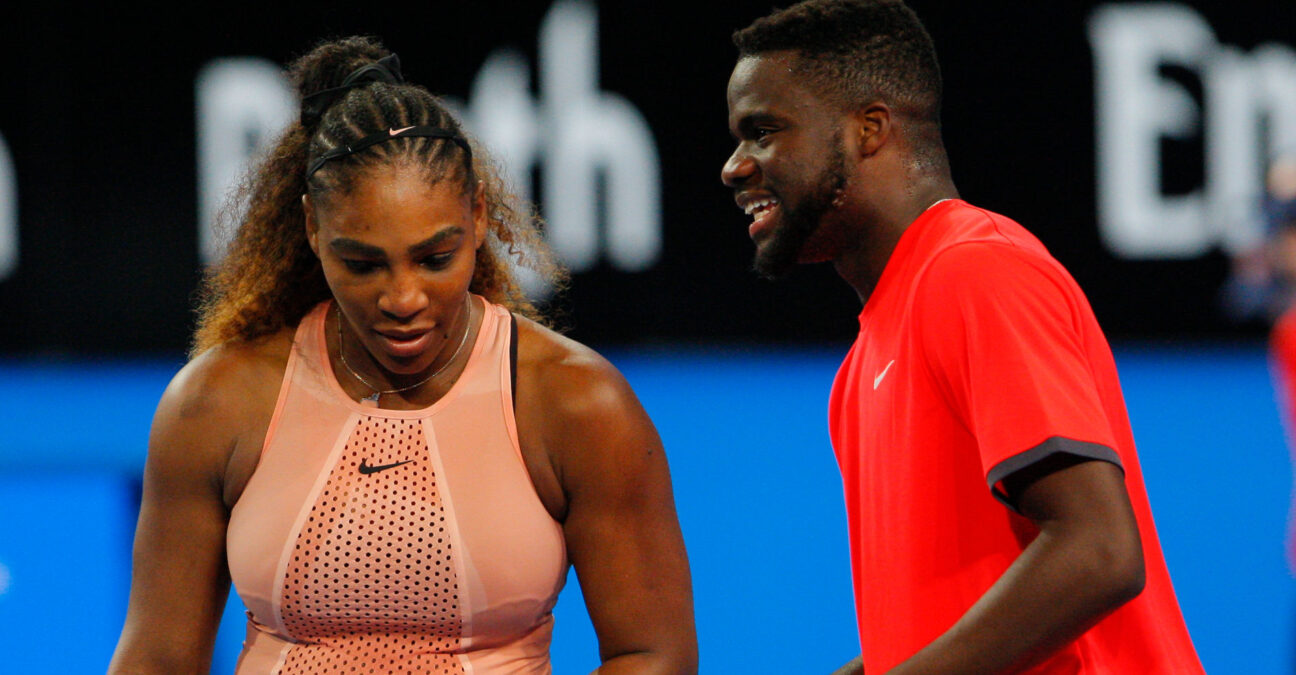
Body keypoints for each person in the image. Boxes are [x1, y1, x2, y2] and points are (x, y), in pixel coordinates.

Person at [109, 36, 696, 674]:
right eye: (361, 264)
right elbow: (154, 661)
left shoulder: (579, 404)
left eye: (434, 258)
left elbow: (653, 656)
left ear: (476, 215)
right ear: (312, 229)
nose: (402, 298)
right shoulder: (212, 402)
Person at [720, 1, 1203, 673]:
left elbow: (1099, 551)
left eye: (762, 131)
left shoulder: (975, 269)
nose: (734, 166)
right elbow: (946, 624)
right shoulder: (860, 368)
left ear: (869, 129)